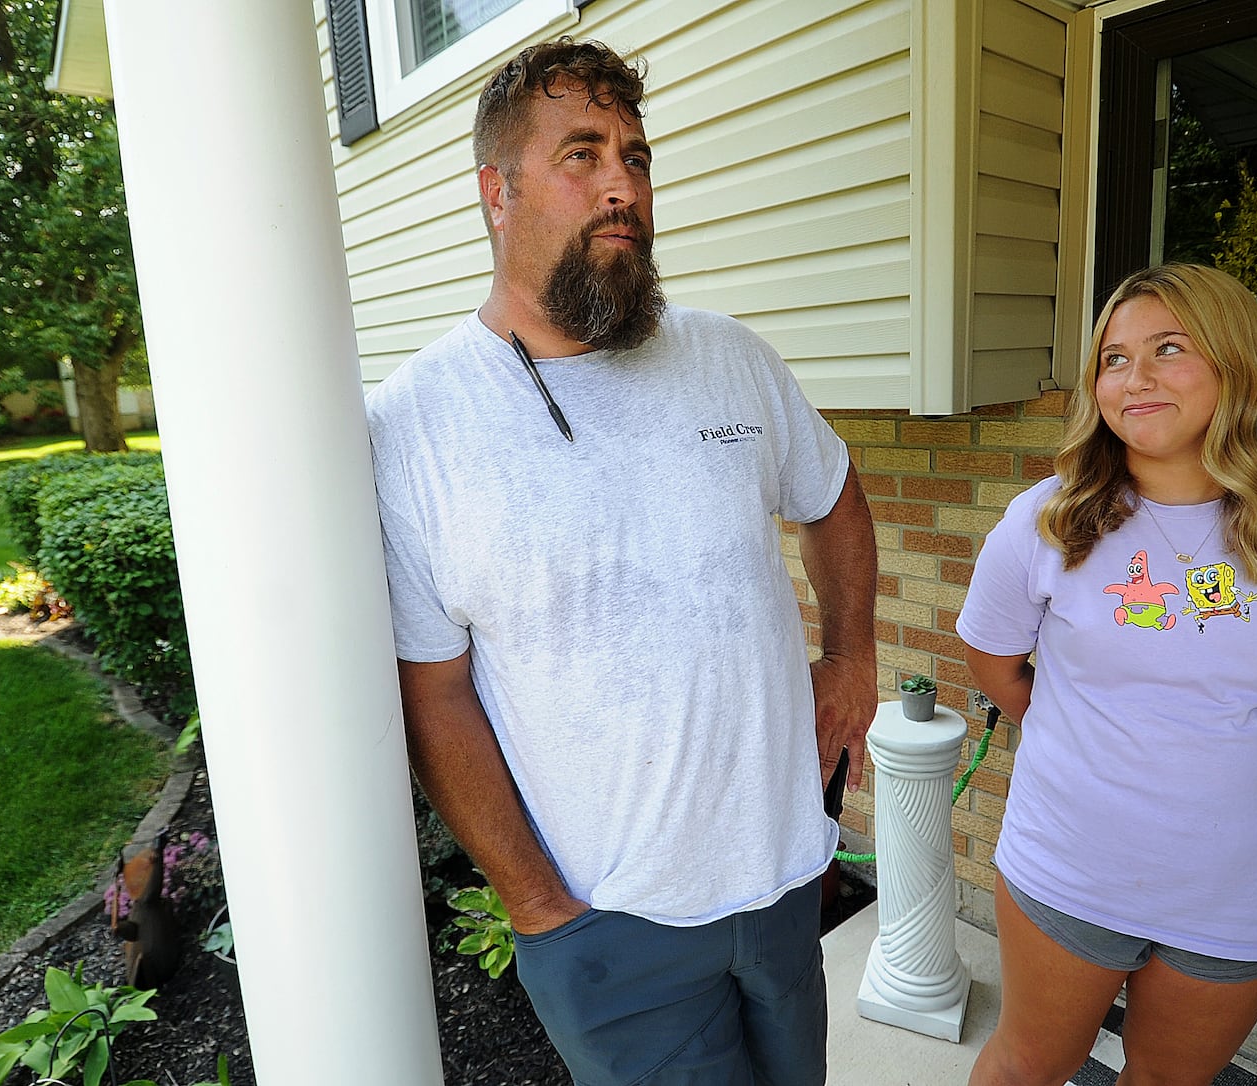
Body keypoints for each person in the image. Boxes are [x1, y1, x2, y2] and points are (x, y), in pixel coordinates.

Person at [365, 38, 877, 1086]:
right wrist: (538, 906)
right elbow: (434, 693)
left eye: (637, 159)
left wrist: (853, 656)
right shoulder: (415, 427)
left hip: (782, 878)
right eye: (583, 156)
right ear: (493, 193)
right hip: (611, 923)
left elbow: (830, 494)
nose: (621, 189)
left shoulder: (730, 358)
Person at [957, 263, 1257, 1086]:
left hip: (1241, 885)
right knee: (1028, 1066)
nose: (1133, 377)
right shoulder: (1047, 517)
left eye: (1167, 348)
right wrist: (1075, 729)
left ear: (1237, 362)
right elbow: (996, 661)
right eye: (1113, 357)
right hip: (1072, 862)